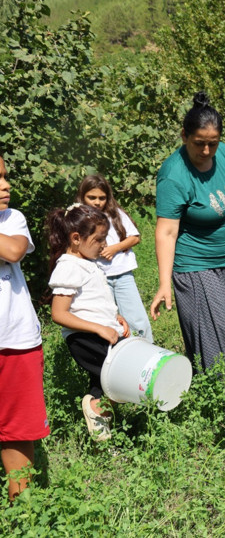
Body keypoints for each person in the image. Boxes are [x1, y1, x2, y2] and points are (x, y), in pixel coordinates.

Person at [149, 92, 225, 371]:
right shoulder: (174, 175)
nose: (207, 151)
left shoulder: (224, 154)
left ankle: (215, 374)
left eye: (213, 143)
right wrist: (164, 284)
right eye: (199, 143)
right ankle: (210, 394)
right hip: (195, 265)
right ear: (184, 135)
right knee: (211, 336)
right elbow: (166, 233)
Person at [47, 203, 130, 442]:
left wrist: (114, 318)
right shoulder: (68, 267)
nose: (104, 245)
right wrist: (99, 327)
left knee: (104, 383)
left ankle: (101, 438)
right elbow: (59, 314)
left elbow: (92, 303)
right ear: (76, 238)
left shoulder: (86, 263)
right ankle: (96, 409)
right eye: (99, 239)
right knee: (121, 379)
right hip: (85, 338)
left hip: (101, 333)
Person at [0, 154, 50, 501]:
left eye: (4, 177)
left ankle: (23, 511)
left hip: (14, 340)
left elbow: (14, 251)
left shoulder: (11, 219)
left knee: (16, 431)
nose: (5, 186)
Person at [76, 174, 153, 343]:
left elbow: (134, 237)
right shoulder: (78, 218)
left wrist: (114, 248)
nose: (97, 202)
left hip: (122, 274)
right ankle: (118, 357)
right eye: (92, 197)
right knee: (109, 319)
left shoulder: (114, 214)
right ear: (83, 196)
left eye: (102, 198)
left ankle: (147, 350)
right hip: (98, 277)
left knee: (137, 318)